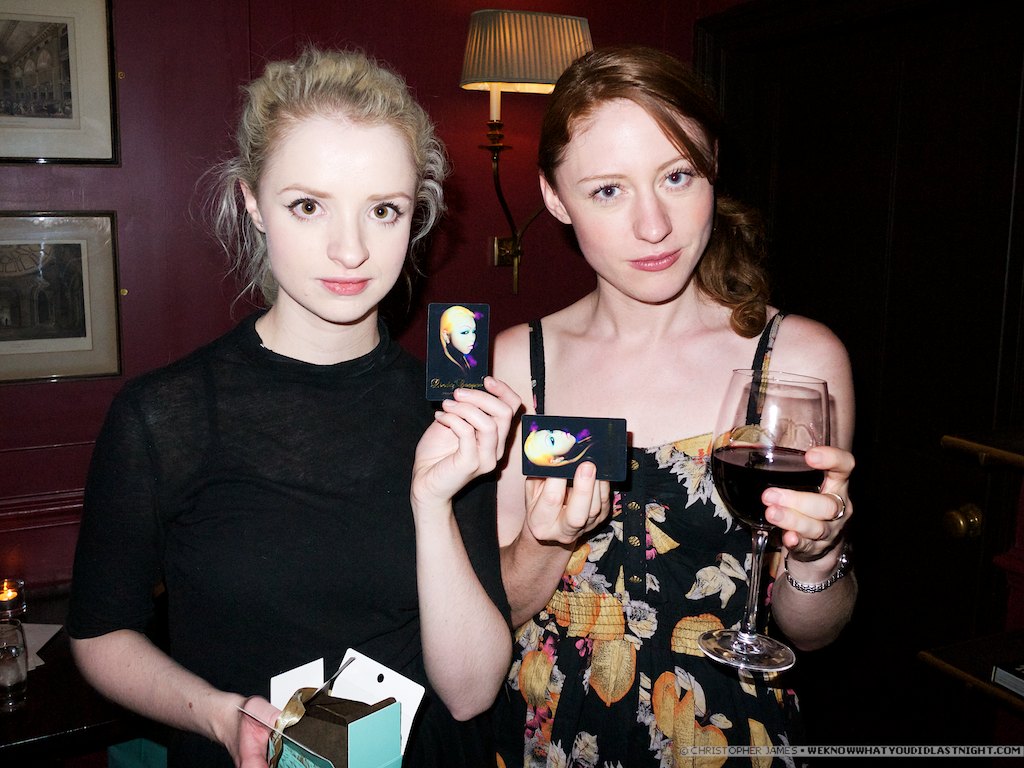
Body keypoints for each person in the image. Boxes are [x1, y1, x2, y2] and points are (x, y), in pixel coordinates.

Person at [67, 47, 518, 768]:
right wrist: (218, 715)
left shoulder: (449, 414)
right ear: (252, 203)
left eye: (383, 210)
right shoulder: (163, 416)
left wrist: (432, 501)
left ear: (416, 217)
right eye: (308, 206)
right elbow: (99, 634)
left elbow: (470, 694)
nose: (350, 250)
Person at [491, 46, 857, 767]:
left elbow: (812, 633)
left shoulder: (796, 362)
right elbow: (487, 618)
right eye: (608, 190)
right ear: (555, 198)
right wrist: (546, 541)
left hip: (728, 738)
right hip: (548, 739)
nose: (653, 226)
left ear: (713, 164)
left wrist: (819, 553)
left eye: (677, 176)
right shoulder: (516, 366)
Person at [439, 304, 480, 375]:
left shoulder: (463, 361)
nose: (472, 338)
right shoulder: (443, 368)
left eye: (473, 331)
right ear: (446, 335)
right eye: (464, 332)